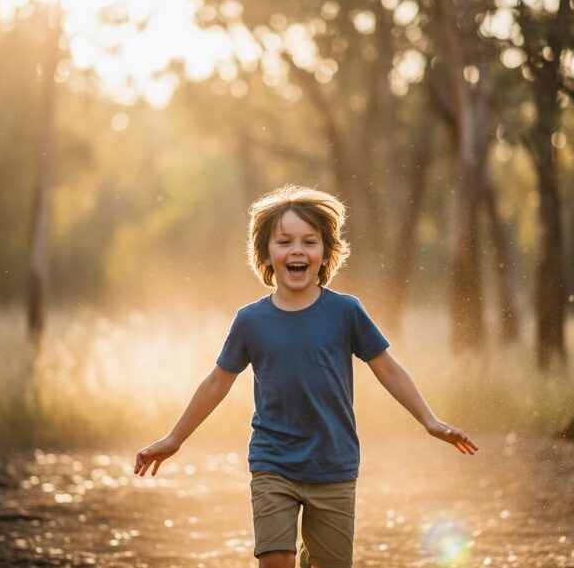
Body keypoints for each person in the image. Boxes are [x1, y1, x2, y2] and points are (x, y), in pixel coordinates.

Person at [134, 185, 478, 568]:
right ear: (266, 252)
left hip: (333, 465)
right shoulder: (251, 321)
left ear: (325, 253)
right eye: (284, 241)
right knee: (276, 559)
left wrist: (430, 422)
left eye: (309, 242)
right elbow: (217, 382)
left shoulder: (346, 312)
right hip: (273, 462)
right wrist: (174, 438)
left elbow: (388, 369)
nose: (297, 250)